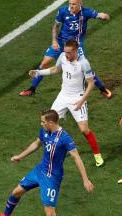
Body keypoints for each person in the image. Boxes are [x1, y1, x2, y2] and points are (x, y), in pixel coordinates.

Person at [0, 109, 94, 216]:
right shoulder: (44, 132)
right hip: (39, 171)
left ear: (51, 122)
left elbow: (76, 157)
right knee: (16, 192)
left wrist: (85, 179)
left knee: (50, 214)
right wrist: (20, 156)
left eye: (43, 122)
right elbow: (37, 144)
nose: (41, 124)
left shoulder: (65, 138)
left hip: (52, 178)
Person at [19, 0, 112, 99]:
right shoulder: (62, 11)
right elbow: (55, 27)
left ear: (80, 4)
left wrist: (104, 16)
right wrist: (54, 41)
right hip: (61, 42)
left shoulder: (86, 12)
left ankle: (103, 89)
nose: (71, 6)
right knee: (45, 63)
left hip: (75, 45)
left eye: (73, 4)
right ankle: (32, 89)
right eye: (70, 3)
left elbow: (102, 15)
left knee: (84, 66)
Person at [29, 39, 104, 167]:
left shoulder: (83, 63)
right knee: (48, 122)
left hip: (77, 98)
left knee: (84, 129)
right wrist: (39, 72)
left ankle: (97, 155)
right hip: (63, 96)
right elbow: (55, 69)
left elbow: (91, 83)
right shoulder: (63, 56)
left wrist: (82, 100)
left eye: (69, 52)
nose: (66, 55)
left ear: (75, 51)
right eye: (65, 52)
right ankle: (50, 151)